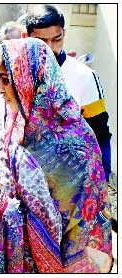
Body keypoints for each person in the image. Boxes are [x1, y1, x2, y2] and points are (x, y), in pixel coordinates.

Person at [0, 38, 112, 273]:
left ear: (31, 81)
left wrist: (2, 210)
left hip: (66, 263)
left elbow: (81, 224)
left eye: (7, 80)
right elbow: (3, 186)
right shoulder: (16, 126)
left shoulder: (75, 142)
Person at [25, 4, 112, 180]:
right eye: (41, 42)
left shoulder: (84, 77)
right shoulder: (16, 74)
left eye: (56, 39)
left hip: (71, 179)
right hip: (27, 177)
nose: (49, 48)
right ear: (27, 37)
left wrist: (103, 177)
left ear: (64, 33)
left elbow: (100, 133)